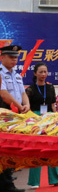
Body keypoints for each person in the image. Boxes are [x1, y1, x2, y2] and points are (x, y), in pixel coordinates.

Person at [25, 63, 58, 188]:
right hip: (35, 119)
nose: (43, 74)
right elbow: (26, 108)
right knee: (36, 149)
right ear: (35, 73)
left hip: (49, 118)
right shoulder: (30, 89)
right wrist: (32, 119)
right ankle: (34, 181)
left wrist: (57, 116)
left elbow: (53, 105)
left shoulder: (51, 87)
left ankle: (56, 179)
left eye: (45, 72)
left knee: (53, 148)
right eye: (40, 72)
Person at [0, 44, 26, 192]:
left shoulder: (16, 74)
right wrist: (19, 105)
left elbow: (23, 92)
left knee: (9, 149)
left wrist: (26, 105)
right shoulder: (0, 73)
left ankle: (7, 183)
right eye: (11, 57)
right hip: (3, 114)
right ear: (2, 57)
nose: (14, 60)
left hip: (15, 116)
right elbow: (3, 94)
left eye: (16, 58)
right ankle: (7, 185)